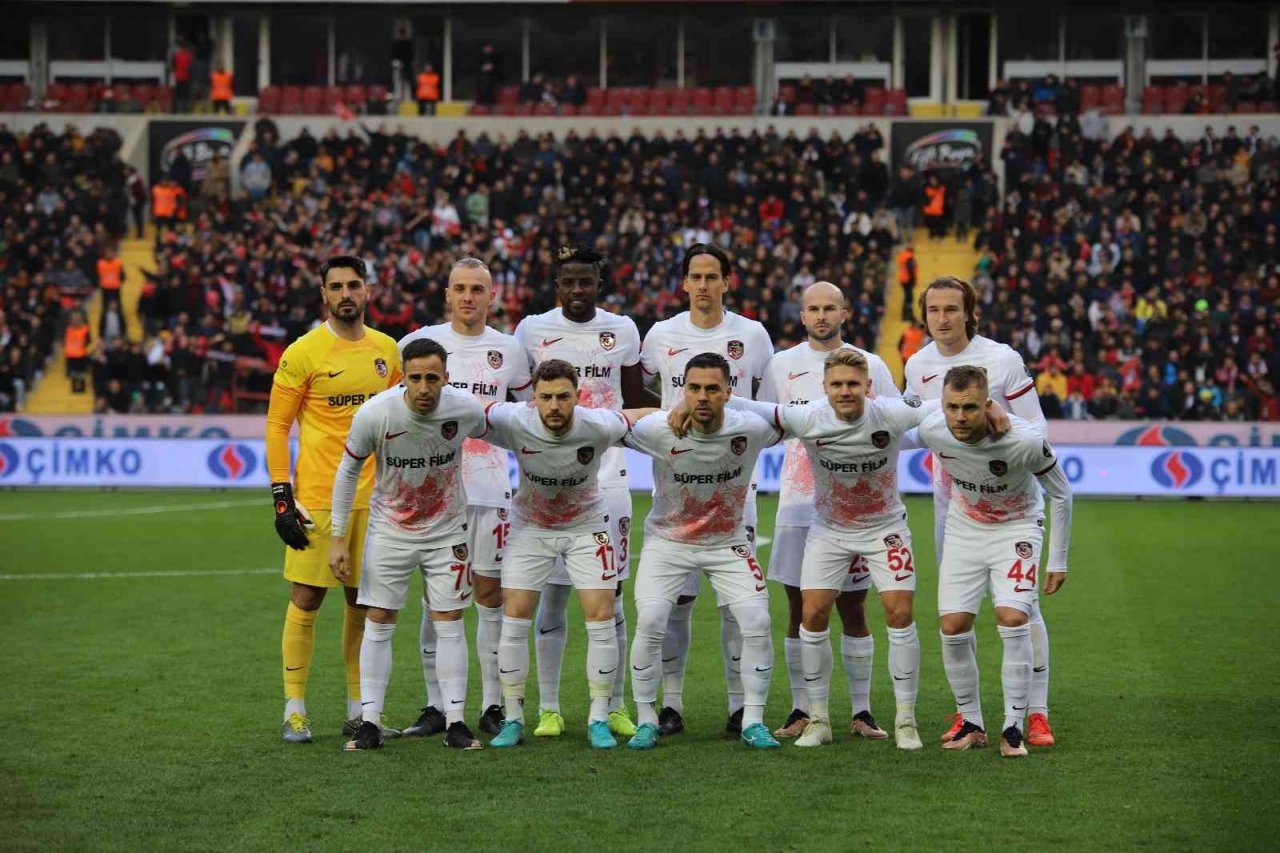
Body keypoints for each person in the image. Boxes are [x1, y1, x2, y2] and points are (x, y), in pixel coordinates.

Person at [903, 275, 1056, 747]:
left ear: (970, 313)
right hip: (953, 502)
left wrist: (1003, 421)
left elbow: (1038, 427)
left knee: (1021, 609)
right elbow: (912, 429)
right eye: (933, 310)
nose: (942, 319)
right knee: (957, 612)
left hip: (1009, 503)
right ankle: (967, 715)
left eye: (952, 309)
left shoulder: (1003, 359)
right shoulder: (917, 364)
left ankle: (1037, 712)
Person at [513, 245, 652, 739]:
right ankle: (549, 708)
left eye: (586, 282)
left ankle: (612, 705)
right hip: (548, 478)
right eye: (568, 282)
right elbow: (516, 400)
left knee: (611, 597)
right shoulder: (531, 330)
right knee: (550, 598)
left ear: (599, 283)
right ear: (557, 285)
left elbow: (635, 400)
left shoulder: (623, 330)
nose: (577, 291)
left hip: (610, 476)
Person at [480, 359, 656, 749]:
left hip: (586, 528)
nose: (554, 406)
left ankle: (597, 718)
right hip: (531, 529)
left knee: (602, 616)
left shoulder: (598, 424)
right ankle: (513, 718)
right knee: (514, 618)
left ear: (578, 397)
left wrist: (679, 411)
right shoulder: (514, 420)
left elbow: (641, 417)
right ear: (532, 399)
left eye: (563, 397)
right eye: (545, 397)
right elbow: (468, 412)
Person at [265, 254, 404, 744]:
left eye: (355, 285)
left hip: (378, 500)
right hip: (320, 498)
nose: (347, 294)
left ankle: (360, 710)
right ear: (323, 295)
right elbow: (278, 425)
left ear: (368, 291)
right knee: (306, 598)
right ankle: (295, 708)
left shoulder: (388, 351)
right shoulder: (304, 352)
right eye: (337, 286)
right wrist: (283, 495)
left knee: (362, 603)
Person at [754, 282, 901, 741]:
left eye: (829, 308)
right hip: (798, 503)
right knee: (800, 607)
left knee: (854, 607)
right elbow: (767, 423)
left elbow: (895, 419)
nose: (821, 316)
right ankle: (802, 708)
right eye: (813, 309)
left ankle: (862, 712)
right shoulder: (782, 364)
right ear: (801, 316)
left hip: (856, 507)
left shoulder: (870, 363)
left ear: (844, 312)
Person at [639, 243, 773, 736]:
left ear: (726, 282)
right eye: (695, 276)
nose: (702, 285)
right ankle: (670, 703)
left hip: (735, 486)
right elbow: (643, 390)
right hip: (675, 483)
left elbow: (768, 402)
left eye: (711, 276)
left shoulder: (753, 335)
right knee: (676, 602)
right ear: (684, 283)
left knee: (736, 608)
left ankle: (741, 707)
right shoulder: (661, 335)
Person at [329, 338, 488, 751]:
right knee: (379, 618)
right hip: (390, 531)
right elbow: (347, 473)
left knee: (449, 620)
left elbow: (503, 430)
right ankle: (369, 723)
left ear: (445, 378)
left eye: (432, 378)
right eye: (414, 378)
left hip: (447, 532)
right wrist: (337, 538)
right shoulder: (375, 414)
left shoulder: (465, 410)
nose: (422, 388)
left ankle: (456, 722)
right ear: (402, 377)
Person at [398, 258, 532, 738]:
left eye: (478, 289)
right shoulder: (418, 345)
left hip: (491, 489)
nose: (469, 297)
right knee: (437, 601)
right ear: (447, 294)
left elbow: (524, 416)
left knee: (490, 595)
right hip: (435, 495)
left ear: (491, 297)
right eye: (460, 288)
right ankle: (436, 705)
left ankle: (492, 704)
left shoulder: (509, 349)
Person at [624, 353, 782, 750]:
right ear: (682, 391)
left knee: (757, 620)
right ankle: (647, 718)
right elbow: (606, 422)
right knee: (653, 619)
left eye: (713, 388)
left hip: (728, 542)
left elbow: (798, 418)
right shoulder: (658, 430)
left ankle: (753, 719)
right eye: (693, 388)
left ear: (729, 392)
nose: (703, 396)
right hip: (668, 542)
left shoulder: (751, 428)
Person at [917, 365, 1072, 757]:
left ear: (988, 405)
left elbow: (1062, 493)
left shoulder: (1024, 441)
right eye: (952, 407)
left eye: (970, 408)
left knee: (1014, 617)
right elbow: (886, 414)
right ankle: (971, 723)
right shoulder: (932, 428)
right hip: (964, 528)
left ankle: (1013, 727)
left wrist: (1059, 560)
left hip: (1016, 529)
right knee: (952, 626)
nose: (960, 417)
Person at [896, 243, 917, 322]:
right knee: (909, 298)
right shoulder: (909, 257)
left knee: (907, 297)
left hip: (903, 279)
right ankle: (908, 315)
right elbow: (911, 269)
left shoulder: (903, 256)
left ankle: (905, 315)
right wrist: (913, 281)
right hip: (908, 280)